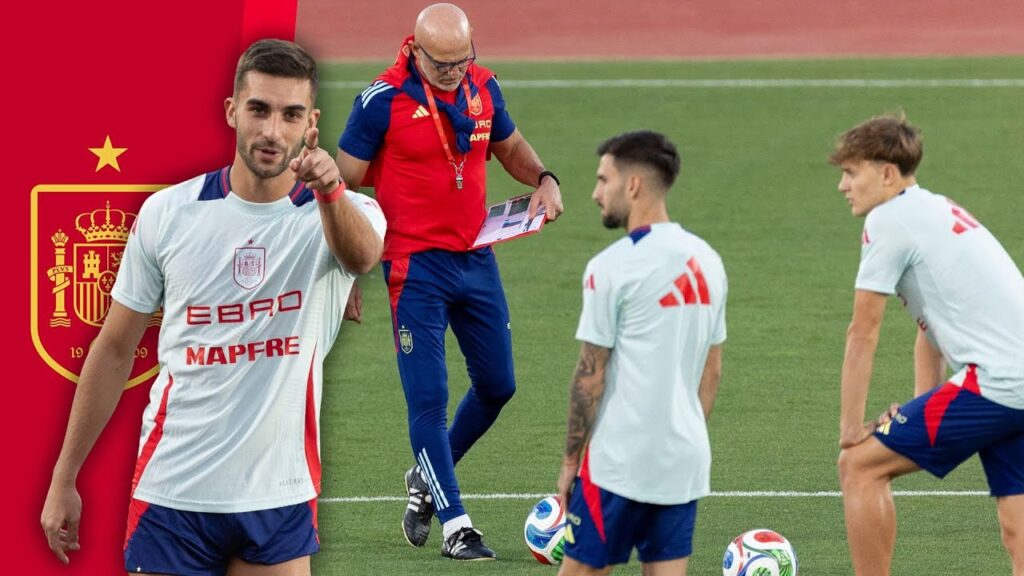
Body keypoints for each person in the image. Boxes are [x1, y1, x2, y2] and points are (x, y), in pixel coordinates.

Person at [39, 39, 386, 575]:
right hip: (173, 492)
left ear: (310, 122)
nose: (273, 130)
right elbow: (113, 349)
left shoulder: (340, 212)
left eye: (290, 114)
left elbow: (363, 258)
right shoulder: (167, 213)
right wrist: (65, 476)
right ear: (231, 111)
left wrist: (332, 190)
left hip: (279, 493)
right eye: (259, 109)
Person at [335, 2, 564, 561]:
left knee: (498, 384)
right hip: (414, 269)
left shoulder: (482, 86)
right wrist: (344, 277)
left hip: (476, 256)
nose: (455, 73)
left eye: (464, 60)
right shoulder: (381, 101)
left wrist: (544, 178)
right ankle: (456, 525)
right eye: (443, 66)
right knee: (429, 400)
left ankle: (424, 475)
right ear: (415, 52)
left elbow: (507, 145)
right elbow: (336, 190)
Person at [832, 114, 1024, 575]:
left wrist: (851, 428)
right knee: (1017, 524)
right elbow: (930, 327)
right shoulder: (935, 208)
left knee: (859, 464)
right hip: (1014, 379)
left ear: (886, 173)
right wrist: (926, 405)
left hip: (998, 381)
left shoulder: (889, 221)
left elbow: (863, 332)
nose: (843, 186)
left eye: (851, 172)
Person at [555, 130, 727, 576]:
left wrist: (571, 461)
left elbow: (590, 375)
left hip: (619, 461)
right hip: (683, 460)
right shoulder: (708, 260)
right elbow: (712, 370)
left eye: (602, 180)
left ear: (632, 185)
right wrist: (679, 433)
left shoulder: (612, 267)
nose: (595, 193)